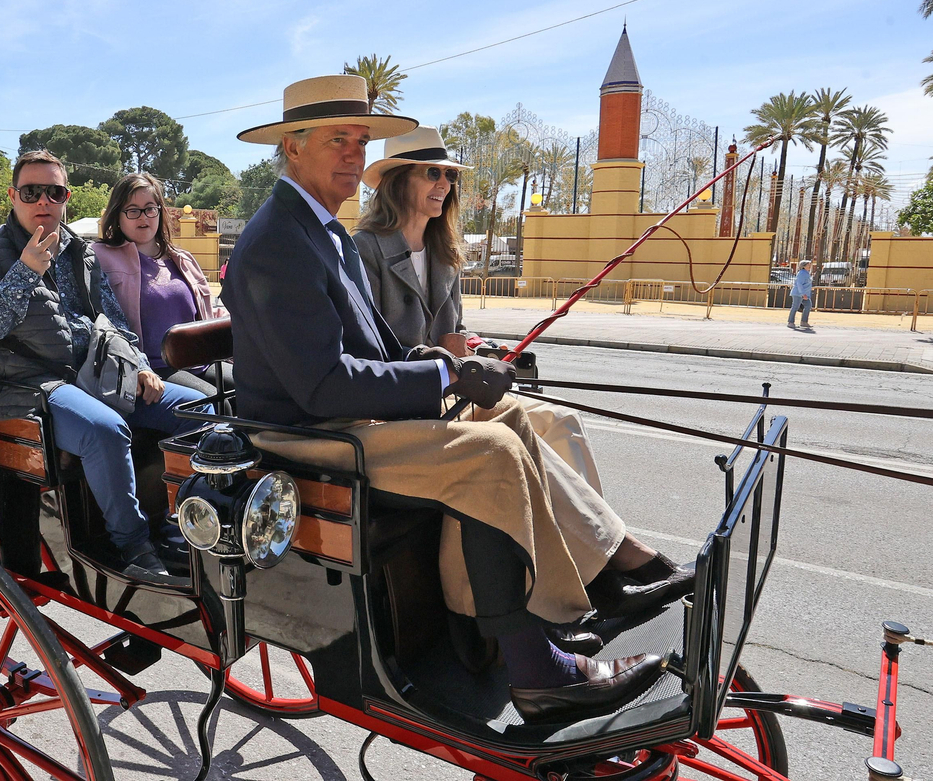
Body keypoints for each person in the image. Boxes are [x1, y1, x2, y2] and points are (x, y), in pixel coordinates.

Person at [224, 75, 665, 724]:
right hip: (308, 436)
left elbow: (373, 350)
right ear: (292, 147)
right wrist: (444, 381)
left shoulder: (328, 233)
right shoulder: (276, 241)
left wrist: (449, 363)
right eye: (337, 140)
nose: (353, 153)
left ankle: (589, 587)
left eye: (360, 139)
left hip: (347, 418)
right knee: (489, 453)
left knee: (515, 417)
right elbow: (322, 384)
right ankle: (537, 671)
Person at [353, 126, 692, 612]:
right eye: (433, 173)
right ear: (397, 180)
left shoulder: (444, 255)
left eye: (450, 175)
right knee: (513, 433)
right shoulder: (365, 250)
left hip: (451, 391)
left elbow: (456, 332)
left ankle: (585, 563)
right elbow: (374, 347)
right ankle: (617, 560)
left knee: (563, 423)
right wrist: (445, 359)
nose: (444, 184)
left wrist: (485, 349)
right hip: (408, 401)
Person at [0, 150, 211, 584]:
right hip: (30, 384)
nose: (43, 201)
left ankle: (177, 526)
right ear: (13, 196)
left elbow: (110, 317)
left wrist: (138, 362)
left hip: (96, 373)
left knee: (200, 412)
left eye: (54, 192)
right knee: (105, 430)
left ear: (66, 196)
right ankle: (134, 547)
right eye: (32, 191)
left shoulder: (79, 252)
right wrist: (24, 273)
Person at [93, 173, 230, 399]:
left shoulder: (182, 258)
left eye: (150, 208)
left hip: (203, 361)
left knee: (254, 393)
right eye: (132, 210)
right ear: (117, 215)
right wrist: (138, 365)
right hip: (155, 368)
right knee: (215, 404)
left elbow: (208, 312)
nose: (143, 217)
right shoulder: (100, 256)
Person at [787, 260, 813, 329]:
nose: (810, 266)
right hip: (798, 293)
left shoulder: (807, 273)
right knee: (795, 307)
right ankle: (790, 322)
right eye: (808, 265)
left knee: (808, 305)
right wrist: (802, 294)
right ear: (804, 266)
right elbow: (799, 284)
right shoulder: (801, 273)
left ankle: (804, 321)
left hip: (805, 294)